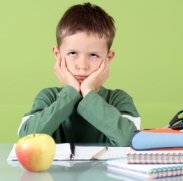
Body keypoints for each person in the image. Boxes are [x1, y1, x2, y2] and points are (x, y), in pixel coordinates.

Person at [17, 2, 140, 146]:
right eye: (72, 53)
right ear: (58, 55)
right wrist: (71, 93)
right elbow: (27, 138)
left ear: (108, 58)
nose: (82, 66)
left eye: (93, 55)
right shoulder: (48, 97)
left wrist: (88, 93)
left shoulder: (119, 100)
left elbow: (131, 140)